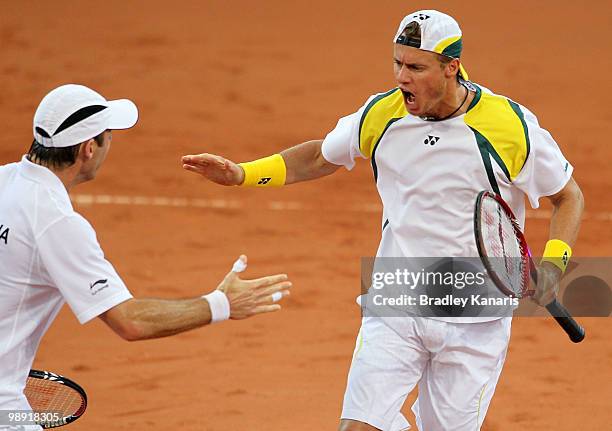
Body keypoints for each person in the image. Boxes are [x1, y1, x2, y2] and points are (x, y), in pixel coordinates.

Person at [181, 9, 584, 431]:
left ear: (451, 67)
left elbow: (568, 196)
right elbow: (320, 156)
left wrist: (555, 264)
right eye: (397, 63)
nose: (401, 77)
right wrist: (243, 173)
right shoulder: (381, 114)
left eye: (415, 67)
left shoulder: (509, 125)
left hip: (476, 317)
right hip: (398, 301)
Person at [0, 84, 292, 426]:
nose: (111, 143)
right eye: (108, 135)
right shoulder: (57, 223)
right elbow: (131, 321)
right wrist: (221, 304)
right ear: (87, 149)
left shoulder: (4, 181)